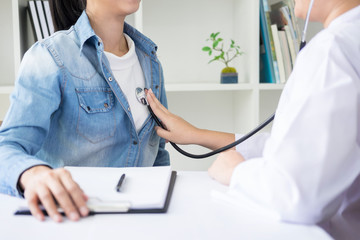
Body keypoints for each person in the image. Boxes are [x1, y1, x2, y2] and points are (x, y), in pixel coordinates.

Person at [146, 0, 360, 239]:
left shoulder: (332, 51)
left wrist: (237, 173)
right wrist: (197, 135)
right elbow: (306, 146)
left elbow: (300, 196)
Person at [0, 0, 169, 222]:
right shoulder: (50, 56)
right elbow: (7, 148)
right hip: (74, 222)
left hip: (140, 223)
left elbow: (158, 152)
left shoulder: (149, 59)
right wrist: (32, 174)